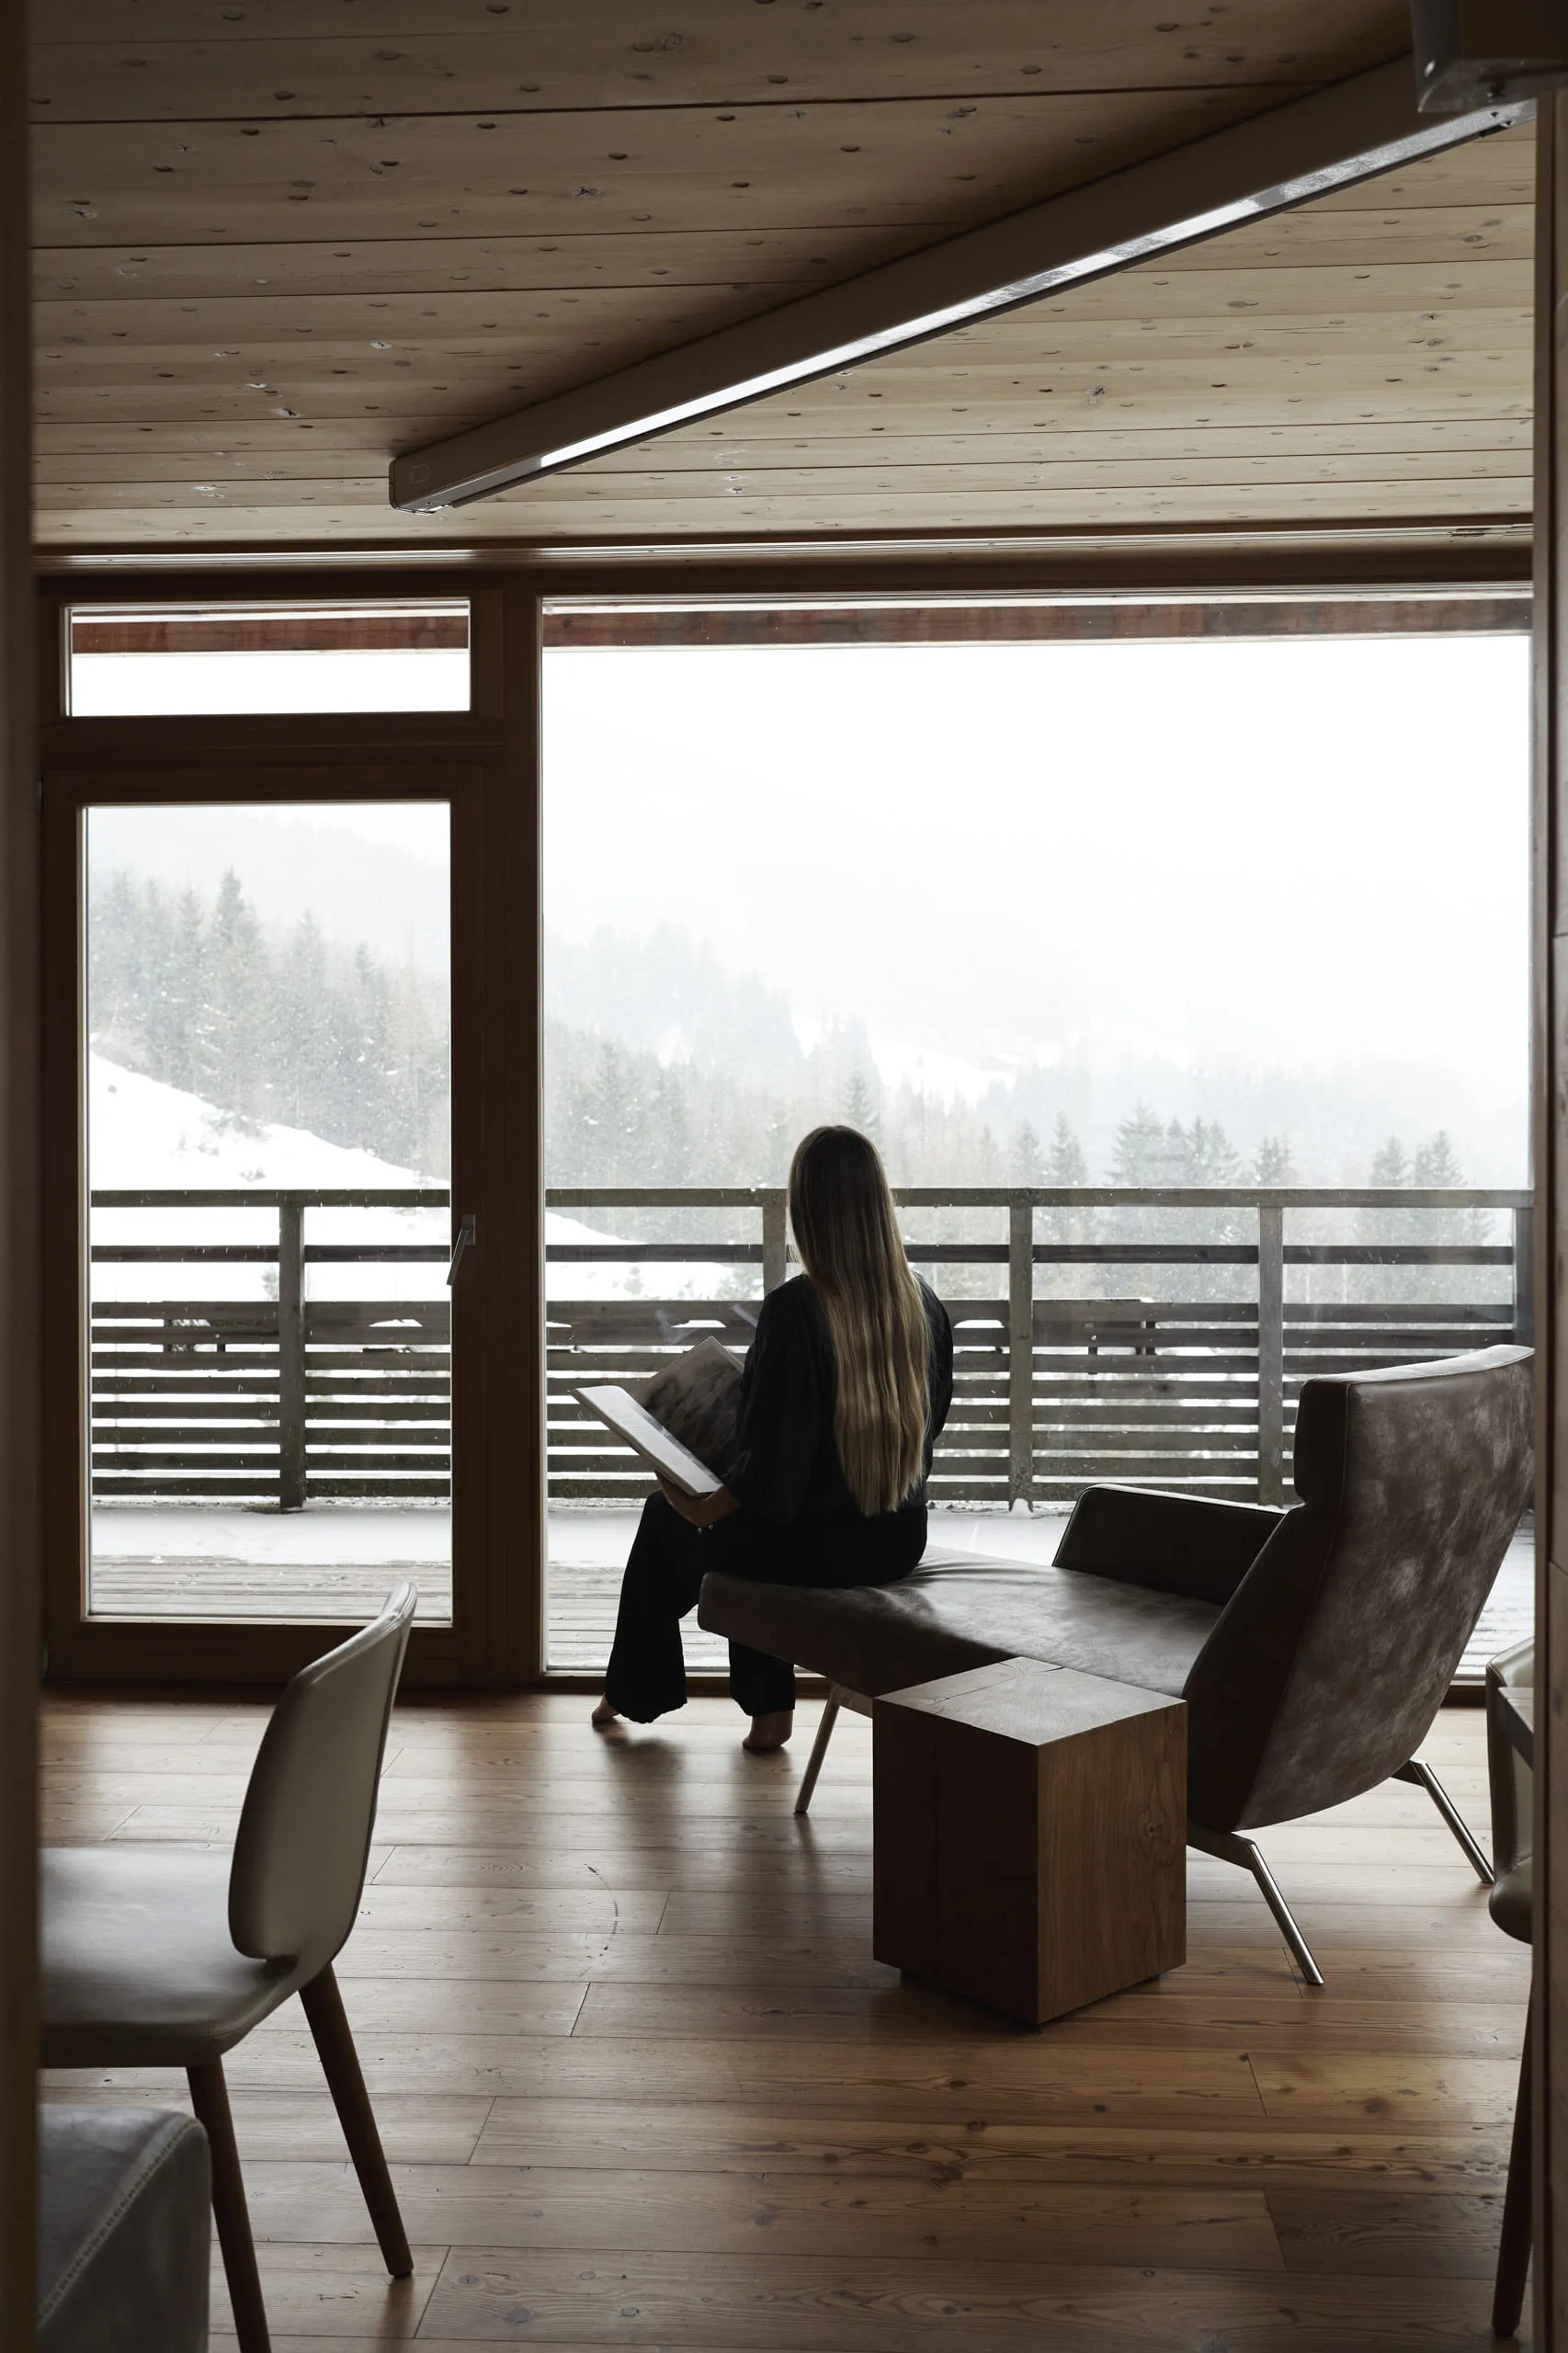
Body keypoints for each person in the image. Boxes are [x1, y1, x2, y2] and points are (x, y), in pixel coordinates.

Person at [592, 1124, 954, 1753]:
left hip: (817, 1550)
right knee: (744, 1532)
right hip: (897, 1538)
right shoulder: (922, 1304)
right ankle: (757, 1711)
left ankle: (650, 1693)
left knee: (678, 1525)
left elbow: (773, 1487)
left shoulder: (797, 1309)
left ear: (806, 1211)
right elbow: (927, 1427)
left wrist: (695, 1500)